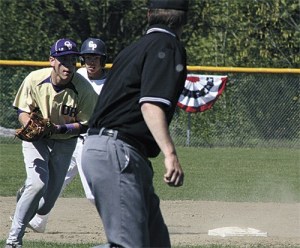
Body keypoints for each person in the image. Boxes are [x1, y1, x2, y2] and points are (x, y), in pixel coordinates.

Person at [81, 0, 189, 247]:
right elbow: (150, 105)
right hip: (117, 150)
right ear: (184, 19)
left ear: (149, 14)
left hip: (117, 150)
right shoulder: (167, 45)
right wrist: (170, 154)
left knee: (155, 242)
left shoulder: (133, 48)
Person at [5, 38, 98, 248]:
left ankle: (25, 195)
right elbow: (22, 111)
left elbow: (85, 125)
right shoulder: (34, 79)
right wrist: (30, 124)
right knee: (37, 184)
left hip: (65, 143)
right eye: (63, 60)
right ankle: (13, 240)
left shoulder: (84, 90)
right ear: (52, 61)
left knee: (44, 207)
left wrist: (59, 129)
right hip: (37, 140)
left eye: (73, 60)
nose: (68, 65)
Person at [26, 37, 108, 233]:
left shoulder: (109, 83)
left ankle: (120, 222)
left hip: (91, 141)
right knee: (57, 181)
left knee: (92, 192)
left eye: (95, 58)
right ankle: (38, 220)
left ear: (103, 60)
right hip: (69, 140)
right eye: (87, 57)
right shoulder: (76, 74)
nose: (91, 62)